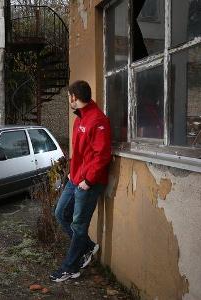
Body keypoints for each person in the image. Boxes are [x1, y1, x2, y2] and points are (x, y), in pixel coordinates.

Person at [50, 80, 112, 282]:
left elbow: (102, 155)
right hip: (74, 178)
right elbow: (79, 153)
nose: (69, 100)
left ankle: (71, 267)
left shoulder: (98, 119)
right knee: (60, 213)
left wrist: (88, 180)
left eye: (69, 96)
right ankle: (87, 247)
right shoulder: (79, 120)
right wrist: (71, 173)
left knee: (78, 225)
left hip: (88, 182)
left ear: (74, 97)